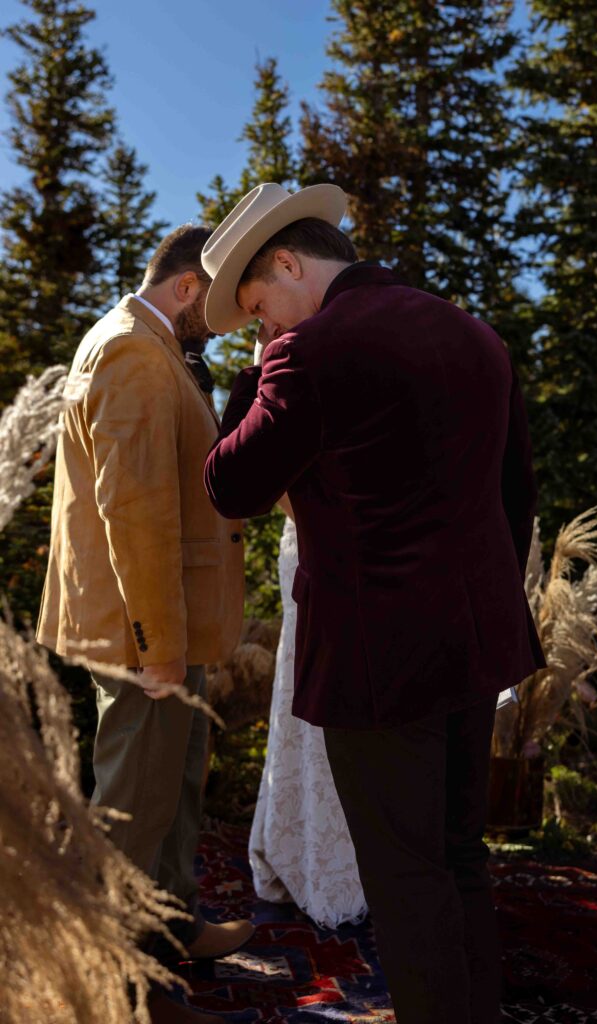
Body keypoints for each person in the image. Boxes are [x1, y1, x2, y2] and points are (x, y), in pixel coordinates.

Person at [202, 184, 547, 1024]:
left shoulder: (306, 353)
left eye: (258, 310)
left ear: (287, 262)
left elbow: (230, 485)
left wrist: (255, 375)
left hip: (378, 656)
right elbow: (515, 501)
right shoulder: (473, 333)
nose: (265, 330)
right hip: (477, 638)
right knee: (458, 854)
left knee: (403, 871)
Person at [37, 225, 254, 1024]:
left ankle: (167, 930)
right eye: (219, 304)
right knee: (132, 799)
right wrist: (158, 645)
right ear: (188, 287)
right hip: (142, 628)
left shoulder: (156, 349)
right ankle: (107, 978)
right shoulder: (131, 351)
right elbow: (134, 513)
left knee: (173, 784)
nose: (225, 324)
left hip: (165, 622)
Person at [249, 498, 367, 928]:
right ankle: (315, 860)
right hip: (318, 541)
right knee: (312, 697)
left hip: (385, 545)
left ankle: (373, 866)